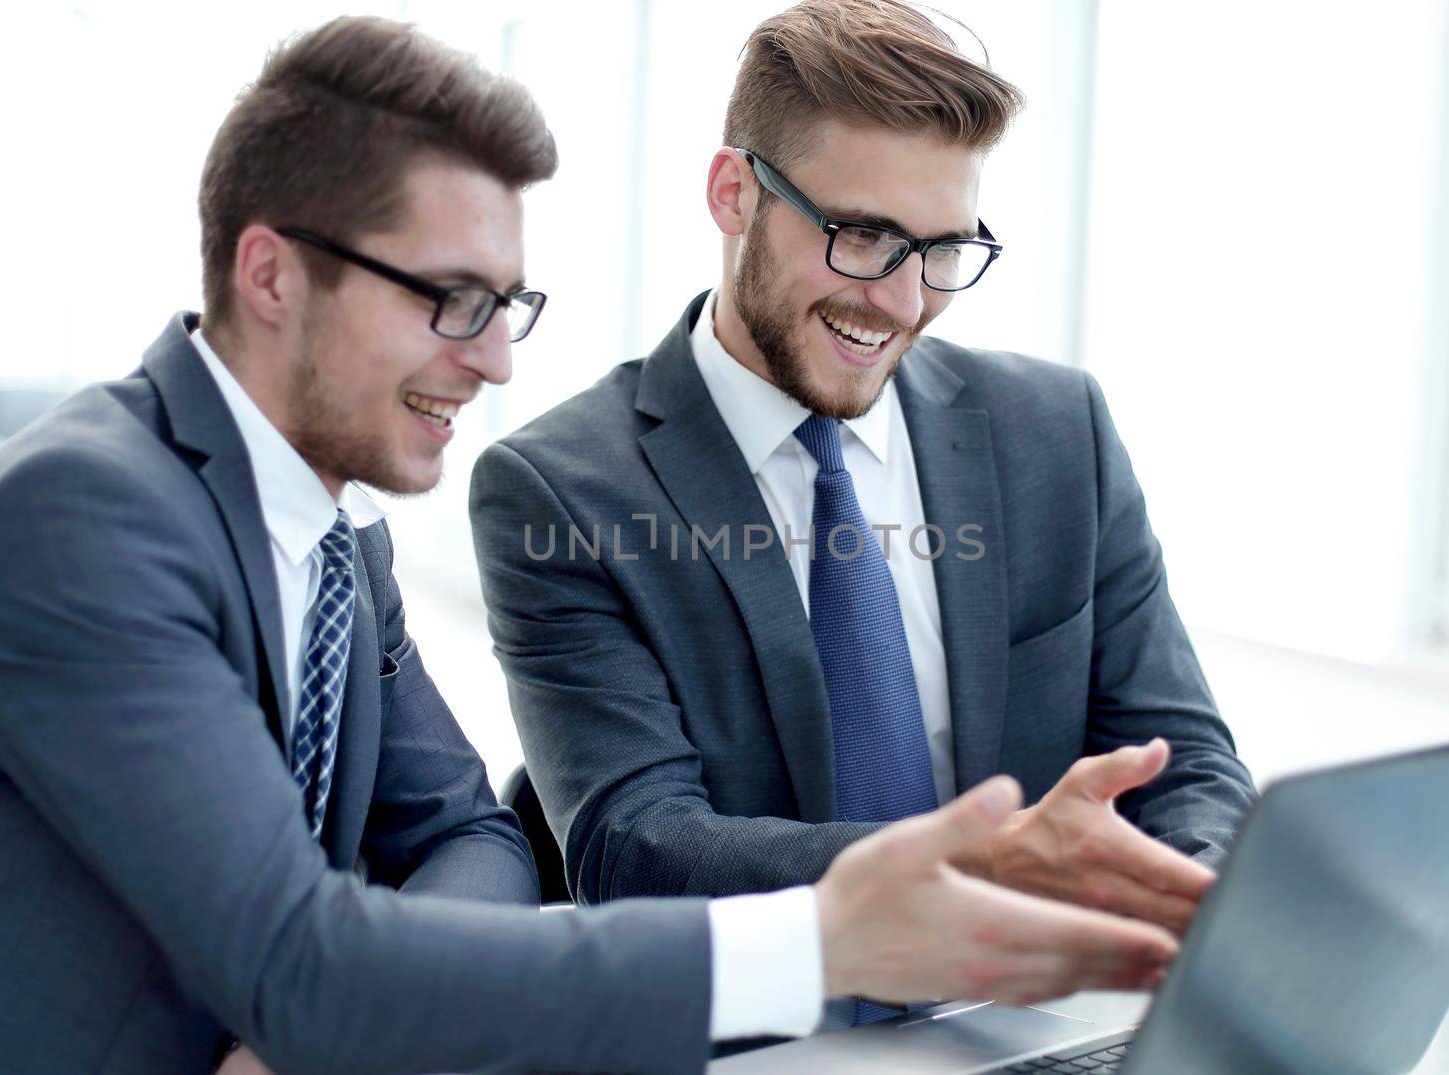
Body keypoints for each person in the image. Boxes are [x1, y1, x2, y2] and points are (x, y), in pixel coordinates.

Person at [0, 16, 1178, 1075]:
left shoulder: (332, 536)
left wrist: (337, 1009)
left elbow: (467, 835)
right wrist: (822, 936)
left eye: (508, 306)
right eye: (453, 301)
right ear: (272, 274)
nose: (494, 361)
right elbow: (329, 948)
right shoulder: (82, 514)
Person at [469, 0, 1256, 1023]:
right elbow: (635, 847)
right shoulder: (563, 489)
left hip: (1025, 1031)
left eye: (941, 250)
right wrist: (990, 868)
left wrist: (1197, 898)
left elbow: (1185, 760)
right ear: (733, 193)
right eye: (862, 237)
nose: (901, 300)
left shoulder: (1057, 434)